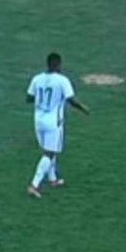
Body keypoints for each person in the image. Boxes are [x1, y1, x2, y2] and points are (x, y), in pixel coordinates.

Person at [25, 52, 90, 198]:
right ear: (58, 64)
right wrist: (83, 108)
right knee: (50, 153)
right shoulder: (62, 80)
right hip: (53, 122)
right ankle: (34, 185)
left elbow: (28, 98)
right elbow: (71, 100)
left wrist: (41, 98)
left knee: (48, 150)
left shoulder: (37, 79)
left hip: (38, 120)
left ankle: (53, 179)